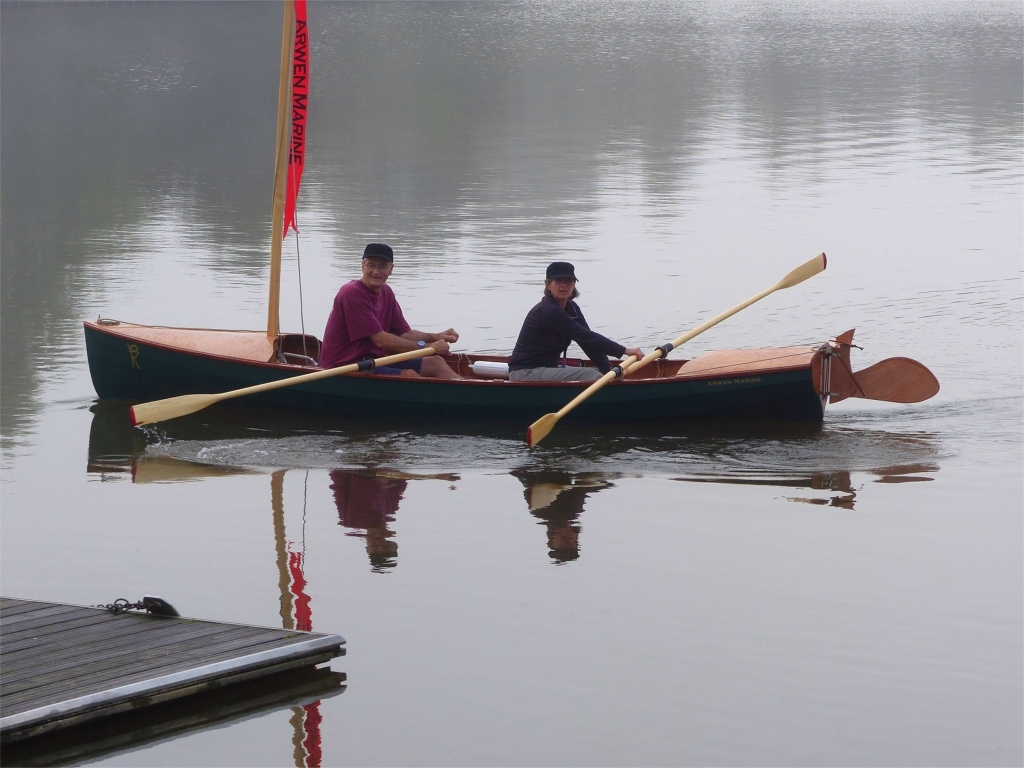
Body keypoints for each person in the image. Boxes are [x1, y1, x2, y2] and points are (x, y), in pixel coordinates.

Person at [320, 243, 462, 379]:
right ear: (362, 266)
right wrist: (428, 346)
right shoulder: (351, 293)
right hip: (343, 366)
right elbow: (381, 340)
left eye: (382, 266)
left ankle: (466, 393)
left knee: (435, 362)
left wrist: (435, 337)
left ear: (391, 269)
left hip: (374, 360)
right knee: (409, 375)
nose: (376, 271)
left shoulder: (386, 292)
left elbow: (405, 333)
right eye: (371, 265)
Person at [507, 262, 644, 382]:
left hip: (547, 368)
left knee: (600, 374)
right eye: (558, 281)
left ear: (574, 285)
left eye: (568, 281)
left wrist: (607, 370)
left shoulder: (572, 308)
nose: (563, 286)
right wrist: (625, 350)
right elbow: (585, 336)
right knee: (593, 375)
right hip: (525, 372)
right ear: (548, 285)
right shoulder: (548, 311)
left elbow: (588, 343)